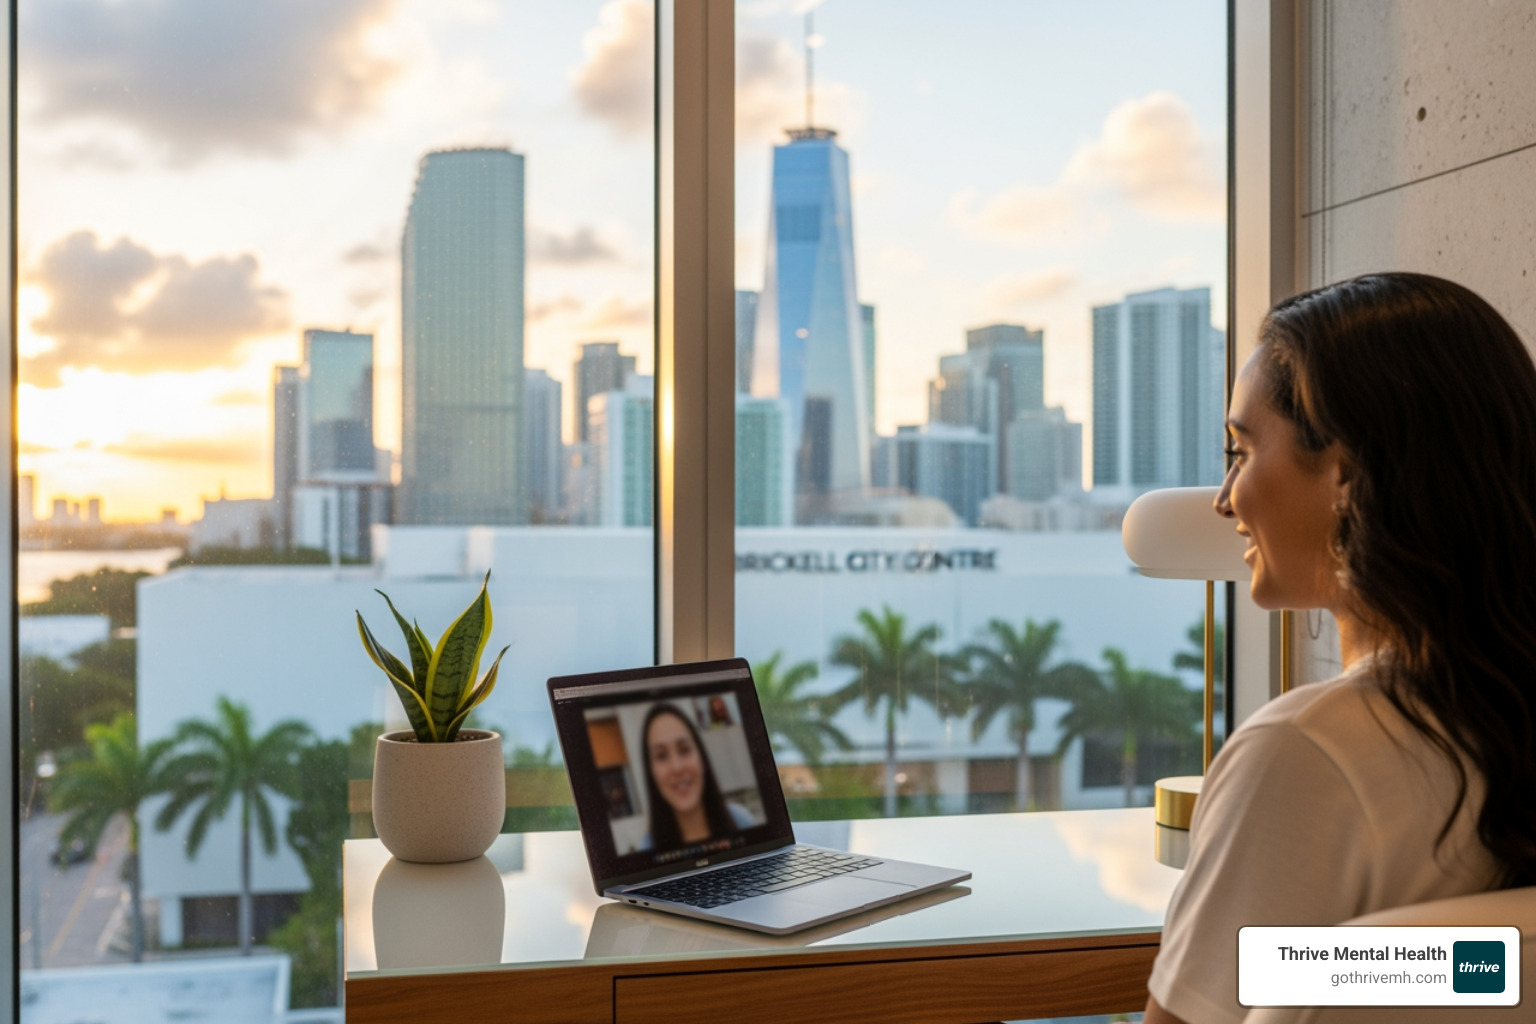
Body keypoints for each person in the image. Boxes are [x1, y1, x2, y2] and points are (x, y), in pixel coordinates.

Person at [1145, 273, 1536, 1024]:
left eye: (1240, 450)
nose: (1225, 498)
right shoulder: (1504, 717)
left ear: (1346, 474)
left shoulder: (1301, 757)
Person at [639, 702, 755, 851]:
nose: (677, 767)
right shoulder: (647, 847)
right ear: (651, 772)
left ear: (702, 757)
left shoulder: (741, 821)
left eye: (684, 749)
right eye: (661, 756)